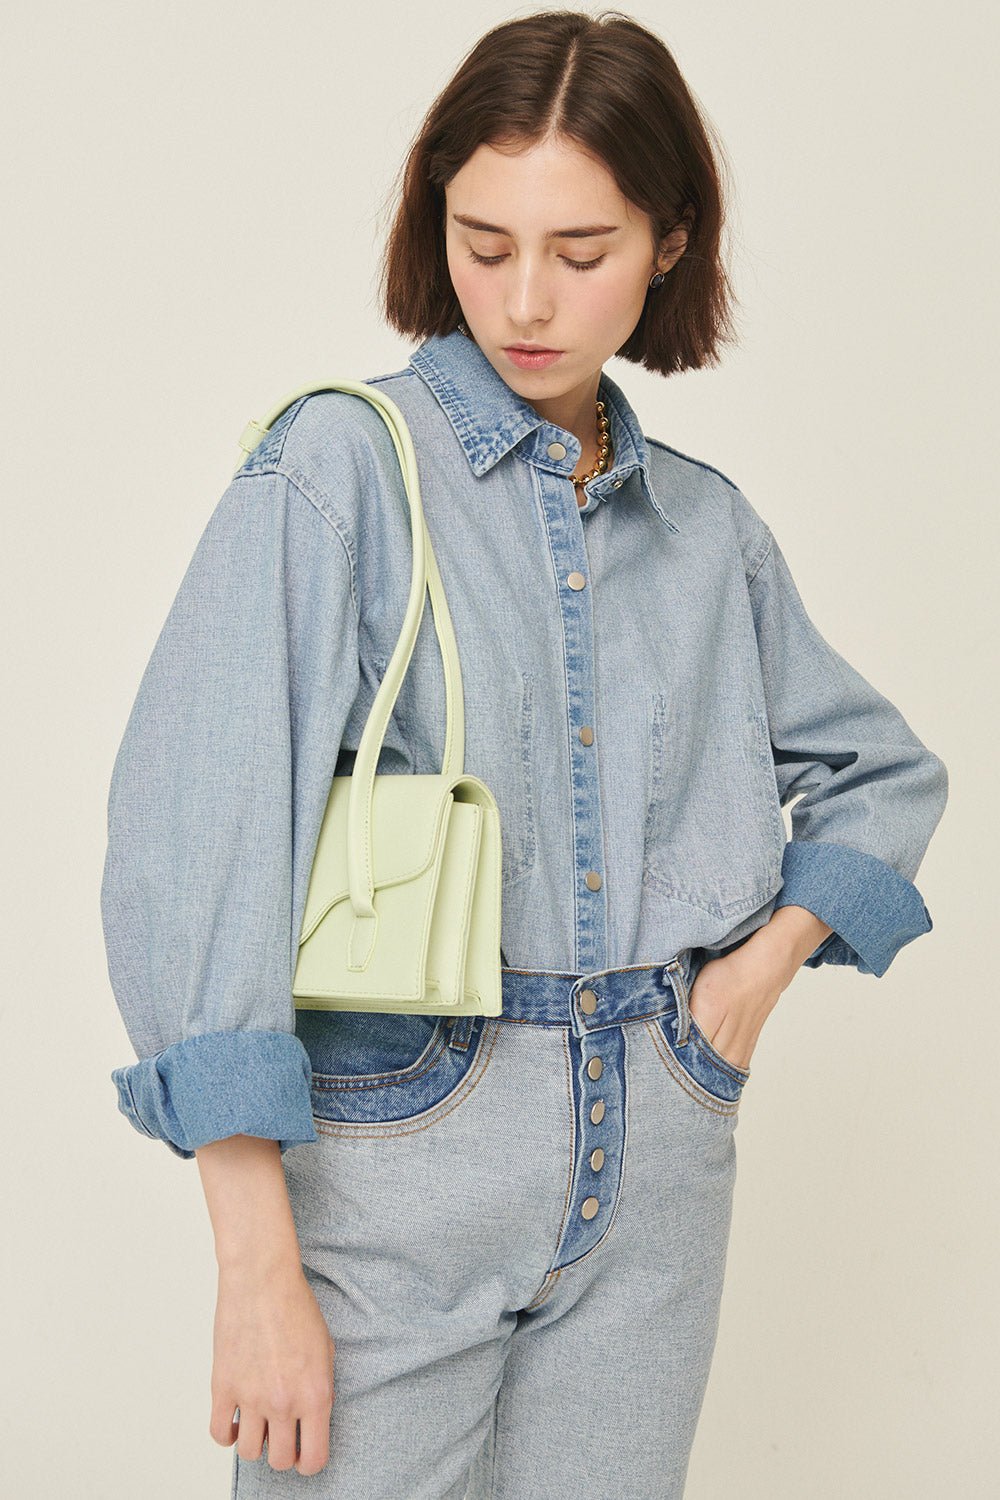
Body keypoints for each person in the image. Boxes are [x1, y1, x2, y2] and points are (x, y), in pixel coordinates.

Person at [99, 10, 949, 1498]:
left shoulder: (706, 530)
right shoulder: (337, 473)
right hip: (395, 1173)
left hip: (657, 1183)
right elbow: (201, 846)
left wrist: (742, 992)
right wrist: (253, 1266)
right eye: (484, 246)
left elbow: (883, 775)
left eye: (582, 250)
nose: (526, 300)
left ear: (669, 244)